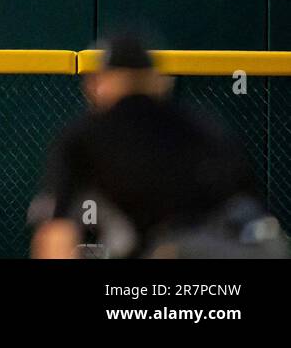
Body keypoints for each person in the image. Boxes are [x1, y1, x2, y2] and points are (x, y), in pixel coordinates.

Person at [31, 37, 285, 259]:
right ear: (159, 82)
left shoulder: (84, 135)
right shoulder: (202, 126)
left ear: (98, 84)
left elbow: (57, 235)